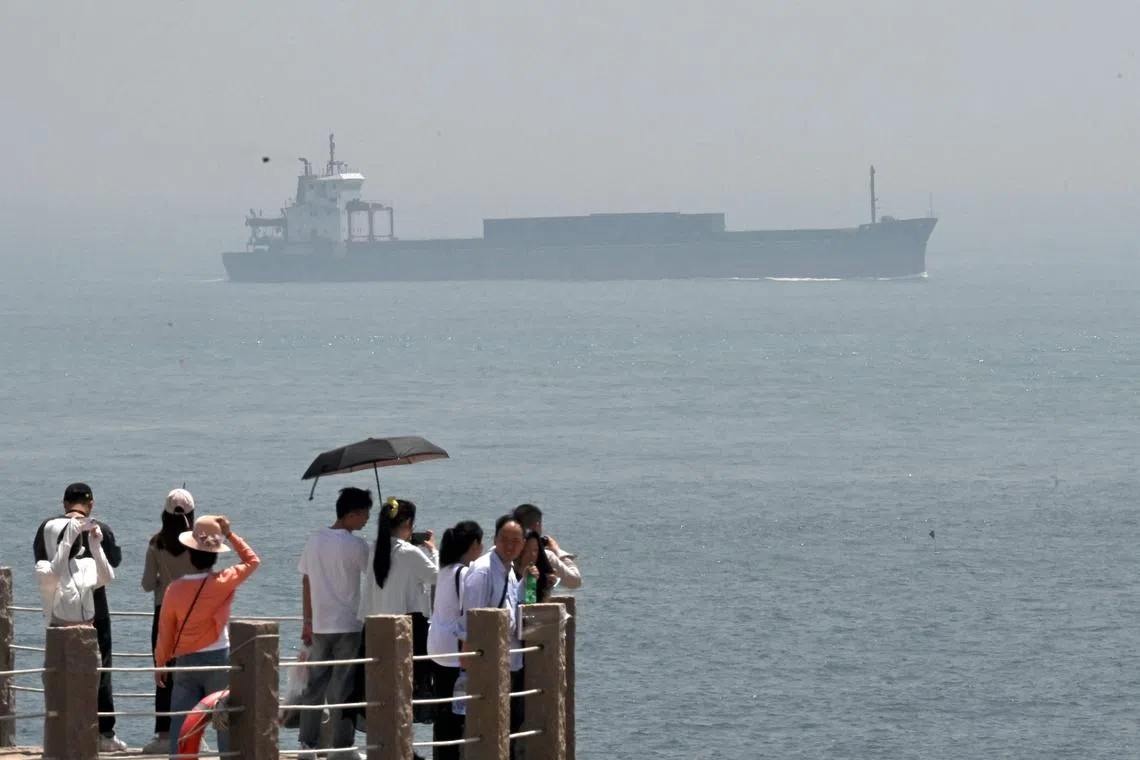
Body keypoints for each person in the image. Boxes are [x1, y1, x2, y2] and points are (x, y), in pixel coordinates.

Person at [154, 515, 260, 756]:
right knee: (224, 722)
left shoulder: (174, 589)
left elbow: (166, 631)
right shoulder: (224, 581)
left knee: (181, 724)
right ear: (215, 555)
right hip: (220, 658)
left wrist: (161, 663)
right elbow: (252, 560)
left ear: (190, 554)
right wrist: (230, 534)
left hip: (186, 661)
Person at [32, 482, 126, 752]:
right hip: (96, 612)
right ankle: (104, 733)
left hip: (57, 611)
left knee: (58, 673)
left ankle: (58, 730)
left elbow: (40, 557)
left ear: (64, 502)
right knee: (101, 672)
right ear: (91, 504)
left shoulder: (47, 527)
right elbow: (114, 562)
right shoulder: (99, 528)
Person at [296, 487, 372, 760]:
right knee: (343, 689)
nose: (366, 520)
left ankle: (307, 747)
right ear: (352, 514)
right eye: (364, 515)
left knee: (314, 688)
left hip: (319, 626)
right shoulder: (357, 545)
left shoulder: (314, 540)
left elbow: (306, 581)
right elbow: (374, 574)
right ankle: (342, 748)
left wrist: (307, 620)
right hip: (348, 625)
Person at [358, 497, 439, 728]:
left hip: (374, 627)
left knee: (381, 687)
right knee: (405, 687)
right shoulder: (408, 551)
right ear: (406, 524)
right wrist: (433, 550)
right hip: (406, 627)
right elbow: (435, 576)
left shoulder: (373, 549)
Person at [139, 488, 199, 755]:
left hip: (164, 613)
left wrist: (163, 580)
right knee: (192, 675)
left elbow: (146, 584)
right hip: (193, 614)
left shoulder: (156, 543)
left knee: (163, 675)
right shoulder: (198, 542)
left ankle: (164, 735)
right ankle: (192, 734)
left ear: (165, 513)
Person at [462, 514, 525, 758]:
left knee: (508, 725)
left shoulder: (509, 570)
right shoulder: (483, 570)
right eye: (505, 539)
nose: (510, 546)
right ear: (495, 539)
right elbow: (471, 618)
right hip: (488, 662)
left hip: (508, 660)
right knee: (489, 727)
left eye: (516, 541)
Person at [426, 521, 484, 760]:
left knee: (443, 709)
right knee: (456, 712)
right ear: (474, 544)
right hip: (454, 649)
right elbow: (467, 614)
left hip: (436, 646)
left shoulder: (445, 570)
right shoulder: (464, 574)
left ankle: (441, 754)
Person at [511, 503, 581, 590]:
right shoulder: (545, 555)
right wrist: (558, 551)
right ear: (537, 525)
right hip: (529, 596)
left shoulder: (505, 550)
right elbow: (575, 581)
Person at [516, 530, 555, 604]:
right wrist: (526, 582)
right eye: (527, 550)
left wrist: (548, 588)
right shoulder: (509, 573)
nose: (532, 554)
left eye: (535, 550)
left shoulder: (538, 576)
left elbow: (533, 604)